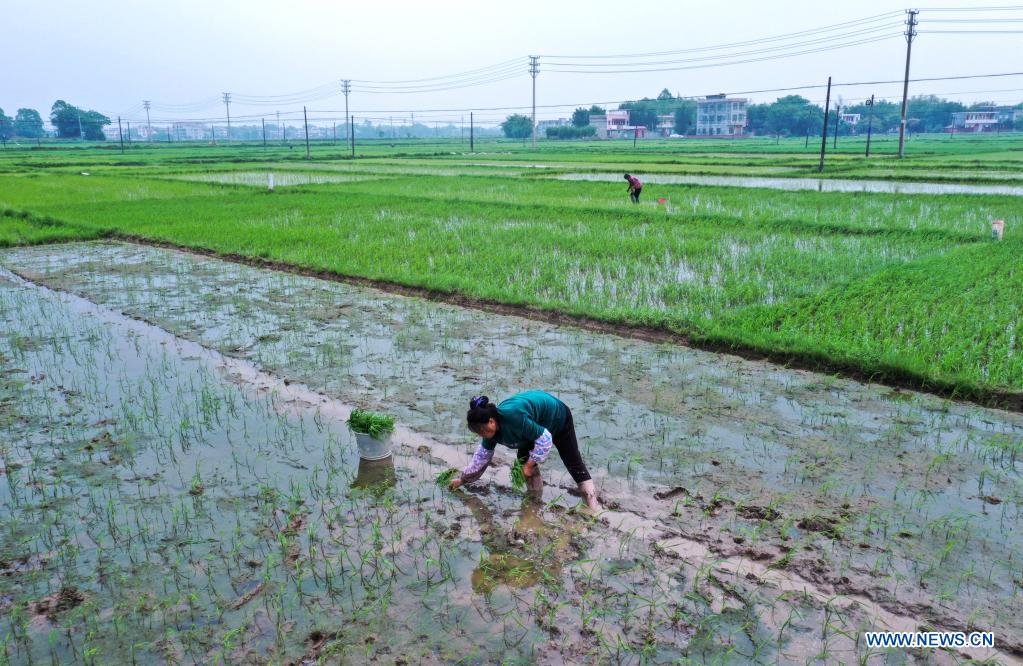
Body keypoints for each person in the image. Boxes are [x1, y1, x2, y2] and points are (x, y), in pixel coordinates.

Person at [449, 392, 600, 512]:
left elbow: (545, 439)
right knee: (523, 457)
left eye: (482, 430)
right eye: (477, 432)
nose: (481, 434)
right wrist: (462, 480)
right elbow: (481, 458)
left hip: (557, 416)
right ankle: (535, 499)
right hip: (533, 426)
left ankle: (593, 507)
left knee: (572, 462)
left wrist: (529, 465)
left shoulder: (514, 417)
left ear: (491, 421)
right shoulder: (490, 434)